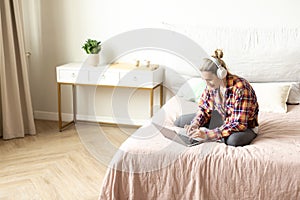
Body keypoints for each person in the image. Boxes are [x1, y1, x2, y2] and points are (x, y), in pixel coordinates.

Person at [186, 49, 259, 147]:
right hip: (222, 120)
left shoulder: (241, 88)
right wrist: (195, 124)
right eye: (204, 80)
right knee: (181, 121)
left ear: (221, 74)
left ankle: (216, 134)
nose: (207, 84)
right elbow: (204, 109)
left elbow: (239, 124)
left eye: (209, 80)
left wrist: (208, 135)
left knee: (233, 141)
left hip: (244, 126)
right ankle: (211, 131)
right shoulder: (211, 86)